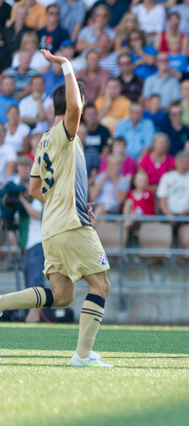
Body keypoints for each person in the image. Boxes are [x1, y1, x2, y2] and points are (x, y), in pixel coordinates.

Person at [0, 49, 113, 367]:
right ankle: (82, 355)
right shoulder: (66, 131)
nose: (83, 106)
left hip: (52, 226)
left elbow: (34, 189)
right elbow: (76, 104)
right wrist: (65, 64)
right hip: (70, 225)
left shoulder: (44, 140)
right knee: (101, 283)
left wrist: (67, 201)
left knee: (62, 295)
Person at [11, 156, 46, 323]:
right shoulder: (26, 202)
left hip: (37, 244)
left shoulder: (36, 199)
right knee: (30, 282)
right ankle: (32, 315)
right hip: (29, 246)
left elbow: (37, 214)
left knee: (36, 282)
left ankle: (35, 315)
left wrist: (23, 201)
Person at [157, 151, 189, 220]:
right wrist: (169, 215)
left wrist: (188, 211)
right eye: (182, 163)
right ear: (176, 163)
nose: (184, 165)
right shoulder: (167, 177)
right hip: (168, 214)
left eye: (186, 163)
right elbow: (162, 200)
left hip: (188, 215)